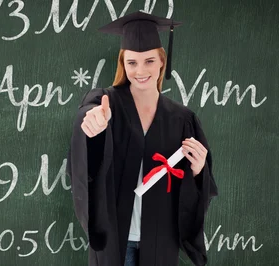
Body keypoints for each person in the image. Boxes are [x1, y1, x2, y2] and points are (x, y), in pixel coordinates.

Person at [66, 11, 219, 266]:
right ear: (123, 64)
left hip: (160, 240)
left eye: (149, 61)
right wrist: (92, 126)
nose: (140, 71)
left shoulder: (182, 118)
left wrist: (198, 169)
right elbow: (88, 119)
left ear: (161, 61)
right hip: (116, 241)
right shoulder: (105, 102)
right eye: (132, 62)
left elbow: (197, 194)